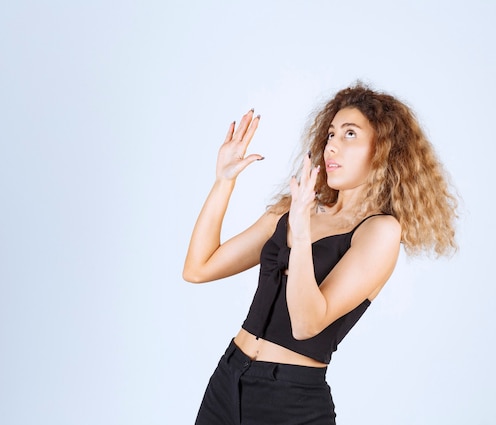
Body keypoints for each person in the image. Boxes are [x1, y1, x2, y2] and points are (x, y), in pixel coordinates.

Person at [183, 83, 457, 424]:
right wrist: (224, 181)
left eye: (350, 134)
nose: (332, 147)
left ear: (383, 149)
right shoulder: (297, 210)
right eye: (330, 134)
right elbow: (198, 268)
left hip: (289, 401)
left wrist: (300, 234)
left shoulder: (379, 231)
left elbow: (306, 323)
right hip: (227, 381)